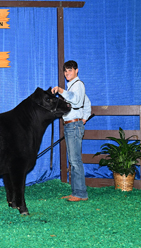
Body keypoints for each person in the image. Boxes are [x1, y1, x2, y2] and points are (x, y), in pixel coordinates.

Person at [51, 60, 91, 202]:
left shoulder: (78, 85)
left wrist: (61, 91)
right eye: (65, 71)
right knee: (73, 160)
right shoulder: (74, 86)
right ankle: (76, 192)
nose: (67, 73)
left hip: (73, 126)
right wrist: (84, 117)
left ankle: (80, 194)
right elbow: (87, 102)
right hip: (71, 125)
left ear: (76, 70)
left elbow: (77, 101)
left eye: (70, 70)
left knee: (75, 161)